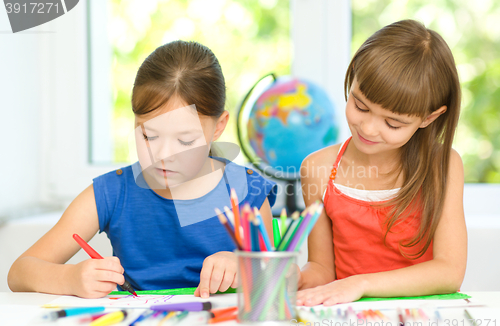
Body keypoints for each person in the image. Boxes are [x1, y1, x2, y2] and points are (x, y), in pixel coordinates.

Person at [8, 40, 276, 299]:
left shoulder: (246, 191)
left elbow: (275, 278)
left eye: (185, 140)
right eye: (149, 136)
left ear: (218, 127)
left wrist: (243, 265)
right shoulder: (111, 193)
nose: (163, 156)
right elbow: (19, 272)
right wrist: (70, 278)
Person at [297, 19, 466, 306]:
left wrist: (361, 283)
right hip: (348, 318)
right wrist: (291, 277)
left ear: (429, 118)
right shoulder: (317, 169)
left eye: (393, 123)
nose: (369, 128)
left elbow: (449, 272)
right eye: (360, 105)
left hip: (420, 316)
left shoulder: (443, 165)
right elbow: (322, 269)